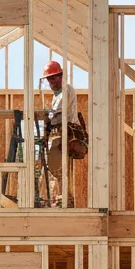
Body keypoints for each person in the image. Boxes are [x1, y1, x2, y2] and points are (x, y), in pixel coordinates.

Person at [43, 60, 78, 205]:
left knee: (58, 166)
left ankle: (65, 199)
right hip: (60, 132)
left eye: (54, 77)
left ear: (61, 75)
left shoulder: (66, 91)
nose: (51, 81)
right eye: (49, 79)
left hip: (67, 133)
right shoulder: (57, 93)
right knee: (56, 167)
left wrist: (46, 117)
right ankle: (63, 197)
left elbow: (57, 114)